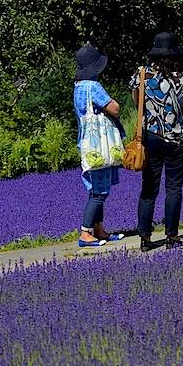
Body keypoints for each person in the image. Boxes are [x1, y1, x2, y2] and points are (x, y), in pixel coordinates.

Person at [130, 32, 183, 252]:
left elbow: (135, 99)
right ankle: (172, 235)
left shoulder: (142, 74)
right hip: (175, 138)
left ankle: (145, 238)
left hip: (149, 136)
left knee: (149, 187)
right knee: (173, 188)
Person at [74, 44, 125, 247]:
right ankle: (86, 233)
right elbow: (114, 108)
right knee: (100, 192)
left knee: (96, 187)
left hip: (87, 141)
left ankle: (99, 229)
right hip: (99, 144)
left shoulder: (78, 87)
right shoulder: (93, 87)